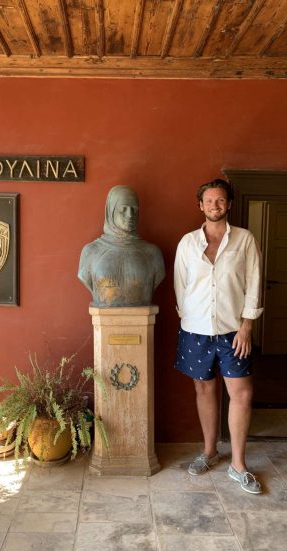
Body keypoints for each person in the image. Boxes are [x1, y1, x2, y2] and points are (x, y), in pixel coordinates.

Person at [174, 178, 263, 494]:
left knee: (242, 393)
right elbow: (181, 286)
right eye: (209, 201)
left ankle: (238, 465)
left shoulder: (244, 240)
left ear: (229, 204)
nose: (215, 205)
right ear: (201, 205)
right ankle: (210, 451)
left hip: (233, 331)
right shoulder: (187, 243)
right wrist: (189, 321)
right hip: (196, 330)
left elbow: (254, 283)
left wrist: (247, 325)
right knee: (204, 390)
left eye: (221, 200)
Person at [78, 185, 165, 307]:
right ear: (111, 211)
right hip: (103, 317)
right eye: (124, 209)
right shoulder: (91, 252)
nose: (130, 215)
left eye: (134, 209)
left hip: (143, 317)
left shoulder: (152, 253)